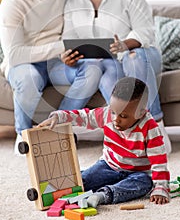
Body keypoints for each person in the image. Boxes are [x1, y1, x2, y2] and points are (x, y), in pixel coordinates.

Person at [62, 0, 171, 153]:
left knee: (134, 57)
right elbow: (69, 37)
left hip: (140, 56)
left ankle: (155, 128)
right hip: (104, 62)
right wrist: (68, 56)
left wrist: (124, 44)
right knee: (104, 71)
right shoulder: (73, 1)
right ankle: (126, 133)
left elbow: (145, 32)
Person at [0, 0, 102, 149]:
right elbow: (15, 54)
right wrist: (62, 47)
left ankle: (56, 128)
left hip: (57, 62)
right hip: (24, 63)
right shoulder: (14, 3)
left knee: (93, 69)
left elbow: (72, 28)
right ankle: (23, 135)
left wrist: (72, 50)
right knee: (29, 78)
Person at [38, 76, 170, 206]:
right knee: (82, 180)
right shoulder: (106, 115)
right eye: (113, 112)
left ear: (141, 113)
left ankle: (101, 195)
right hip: (109, 166)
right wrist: (58, 116)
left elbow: (159, 161)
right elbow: (84, 117)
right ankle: (72, 182)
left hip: (137, 173)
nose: (115, 119)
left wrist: (160, 187)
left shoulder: (150, 128)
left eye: (123, 116)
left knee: (145, 183)